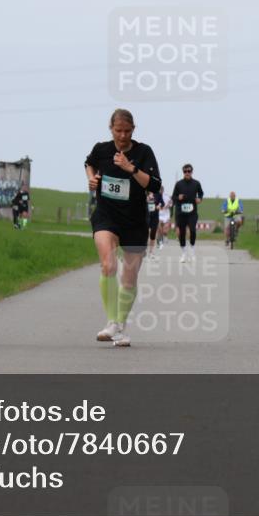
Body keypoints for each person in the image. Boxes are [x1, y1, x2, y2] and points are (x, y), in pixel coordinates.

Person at [85, 109, 161, 347]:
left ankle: (121, 324)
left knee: (129, 277)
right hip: (106, 215)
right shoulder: (102, 149)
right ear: (111, 129)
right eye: (118, 131)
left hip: (135, 220)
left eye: (127, 131)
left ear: (133, 130)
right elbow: (89, 163)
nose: (123, 135)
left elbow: (156, 186)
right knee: (108, 264)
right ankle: (110, 323)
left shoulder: (143, 152)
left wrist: (131, 169)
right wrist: (92, 178)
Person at [172, 163, 204, 262]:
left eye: (189, 171)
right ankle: (184, 253)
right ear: (183, 172)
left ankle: (192, 250)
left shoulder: (196, 183)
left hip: (192, 212)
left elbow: (201, 193)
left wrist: (199, 199)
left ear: (192, 172)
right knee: (182, 233)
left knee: (192, 230)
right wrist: (178, 197)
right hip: (180, 212)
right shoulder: (178, 184)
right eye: (185, 171)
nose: (187, 173)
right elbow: (173, 197)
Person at [146, 190, 161, 259]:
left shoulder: (157, 194)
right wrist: (147, 199)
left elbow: (162, 203)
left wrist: (159, 205)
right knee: (146, 232)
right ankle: (144, 251)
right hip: (146, 216)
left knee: (153, 234)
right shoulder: (144, 192)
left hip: (155, 217)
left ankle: (151, 252)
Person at [156, 185, 170, 251]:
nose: (160, 191)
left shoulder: (166, 196)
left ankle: (165, 236)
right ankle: (159, 242)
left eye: (161, 190)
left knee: (165, 231)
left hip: (166, 215)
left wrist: (167, 206)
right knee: (159, 229)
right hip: (158, 214)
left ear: (163, 190)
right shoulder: (155, 196)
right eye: (159, 190)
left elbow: (171, 203)